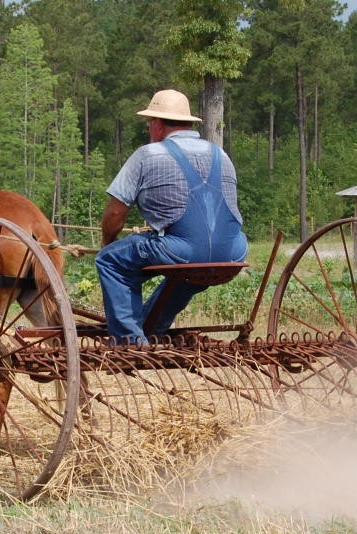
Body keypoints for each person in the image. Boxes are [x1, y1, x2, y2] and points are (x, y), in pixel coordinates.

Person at [95, 89, 248, 345]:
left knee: (110, 262)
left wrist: (108, 243)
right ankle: (151, 328)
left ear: (156, 124)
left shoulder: (147, 155)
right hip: (233, 252)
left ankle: (128, 342)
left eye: (148, 124)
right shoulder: (220, 154)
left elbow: (115, 212)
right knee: (187, 274)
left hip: (182, 250)